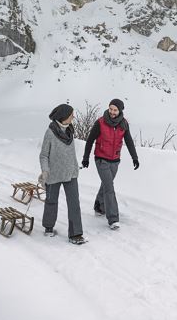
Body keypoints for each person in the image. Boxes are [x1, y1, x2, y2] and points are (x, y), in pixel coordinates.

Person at [82, 98, 140, 230]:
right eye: (110, 109)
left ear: (120, 111)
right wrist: (86, 158)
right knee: (109, 187)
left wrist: (134, 158)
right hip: (101, 159)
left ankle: (99, 206)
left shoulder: (123, 124)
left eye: (115, 110)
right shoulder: (100, 123)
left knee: (106, 184)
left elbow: (129, 141)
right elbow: (90, 140)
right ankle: (113, 219)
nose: (112, 112)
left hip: (115, 161)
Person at [39, 103, 87, 245]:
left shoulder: (70, 130)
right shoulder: (50, 132)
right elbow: (43, 155)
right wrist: (45, 170)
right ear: (64, 116)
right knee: (51, 201)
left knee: (74, 203)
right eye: (71, 114)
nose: (73, 116)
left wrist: (75, 166)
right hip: (54, 173)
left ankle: (76, 234)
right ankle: (49, 226)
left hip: (71, 173)